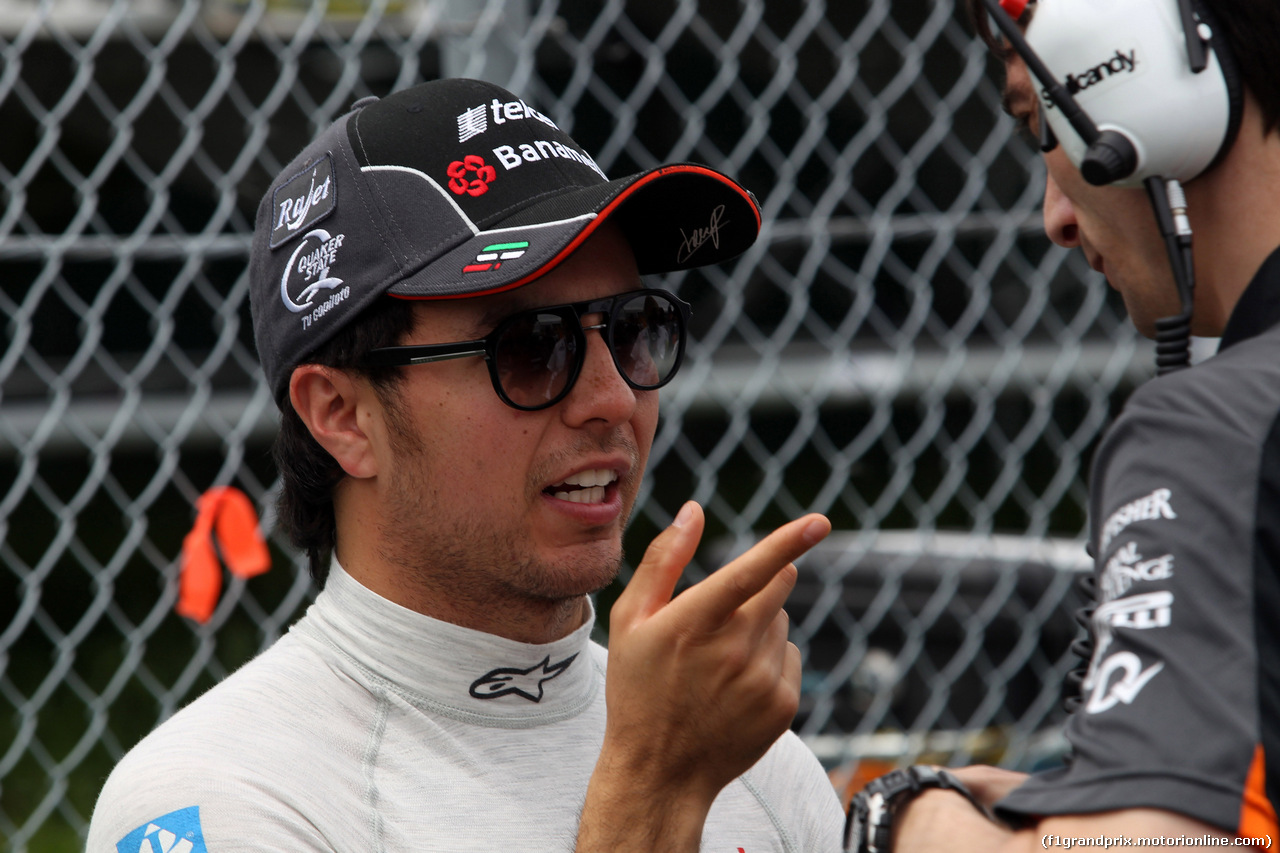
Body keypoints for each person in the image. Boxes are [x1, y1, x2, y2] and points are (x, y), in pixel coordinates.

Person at [85, 77, 845, 852]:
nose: (612, 398)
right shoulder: (217, 796)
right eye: (533, 346)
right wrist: (653, 793)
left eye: (632, 327)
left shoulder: (754, 759)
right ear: (343, 417)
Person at [845, 0, 1280, 850]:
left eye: (1044, 122)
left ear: (1139, 77)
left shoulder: (1218, 430)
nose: (1056, 217)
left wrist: (905, 815)